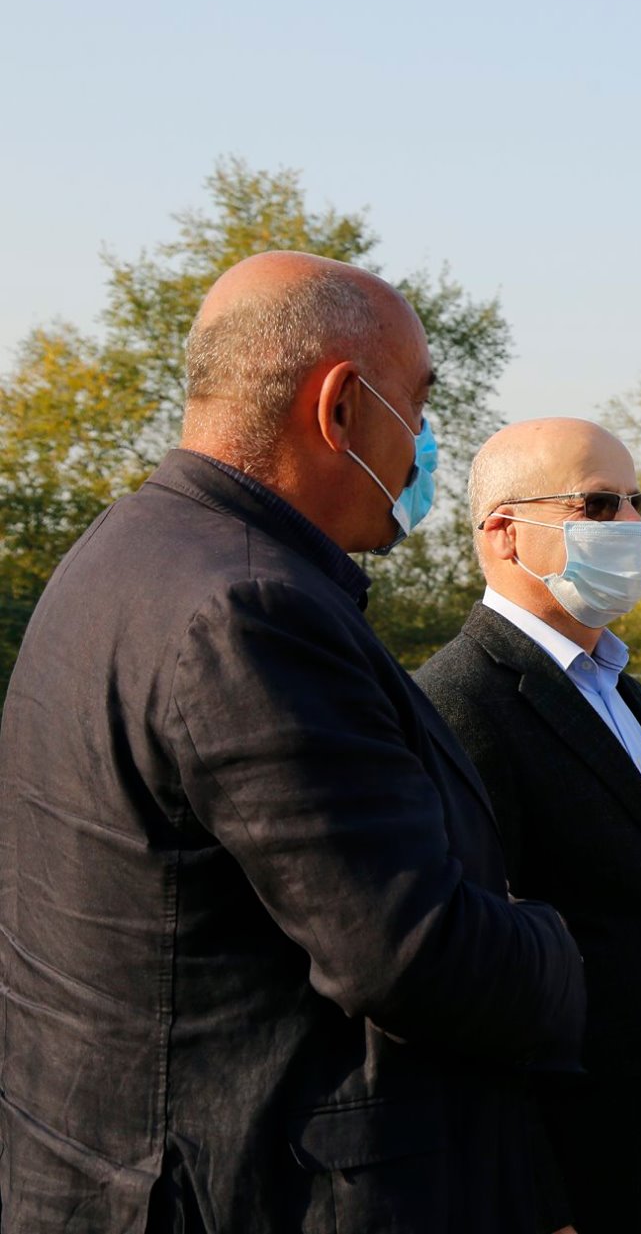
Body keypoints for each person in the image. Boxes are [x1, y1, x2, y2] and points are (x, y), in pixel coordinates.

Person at [0, 252, 586, 1231]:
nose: (423, 446)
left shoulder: (126, 550)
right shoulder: (252, 609)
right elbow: (407, 952)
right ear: (341, 407)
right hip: (246, 1187)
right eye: (418, 406)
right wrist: (560, 943)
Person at [416, 418, 641, 1234]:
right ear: (504, 532)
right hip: (580, 1189)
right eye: (598, 505)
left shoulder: (621, 690)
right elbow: (468, 986)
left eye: (639, 502)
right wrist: (534, 1200)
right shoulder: (458, 704)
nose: (630, 524)